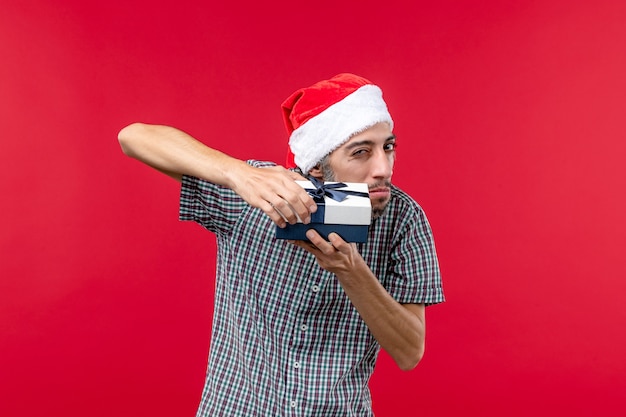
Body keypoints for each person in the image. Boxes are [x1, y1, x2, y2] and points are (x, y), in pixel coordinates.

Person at [118, 73, 444, 416]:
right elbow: (132, 137)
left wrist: (352, 273)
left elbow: (410, 353)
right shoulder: (259, 192)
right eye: (361, 152)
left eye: (387, 147)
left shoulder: (404, 219)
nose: (383, 168)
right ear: (317, 167)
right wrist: (236, 173)